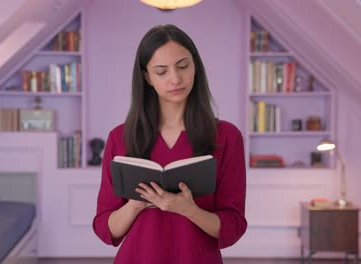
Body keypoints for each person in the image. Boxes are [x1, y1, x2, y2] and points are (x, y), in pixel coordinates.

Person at [93, 24, 247, 264]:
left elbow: (233, 226)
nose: (175, 79)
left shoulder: (226, 136)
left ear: (195, 66)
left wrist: (188, 209)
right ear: (147, 77)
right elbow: (105, 227)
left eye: (183, 66)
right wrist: (135, 205)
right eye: (161, 71)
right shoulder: (120, 137)